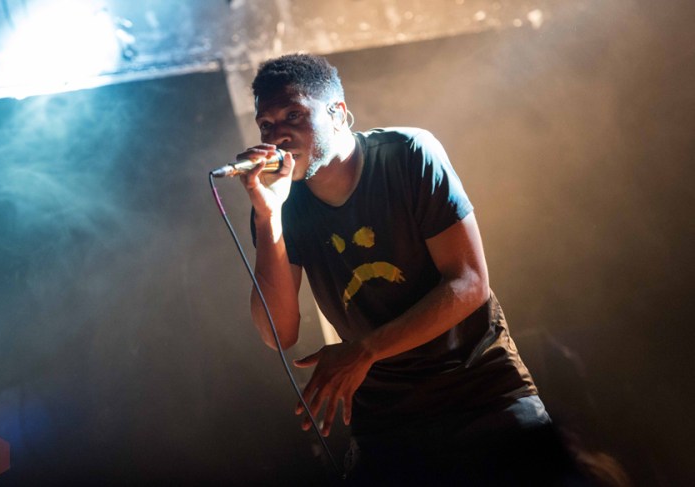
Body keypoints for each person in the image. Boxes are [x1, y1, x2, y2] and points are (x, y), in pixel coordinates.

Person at [236, 53, 575, 485]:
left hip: (481, 393)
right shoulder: (280, 203)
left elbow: (469, 283)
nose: (277, 135)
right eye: (266, 125)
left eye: (293, 115)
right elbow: (277, 334)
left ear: (337, 114)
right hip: (386, 421)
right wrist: (268, 217)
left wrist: (364, 350)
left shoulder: (408, 154)